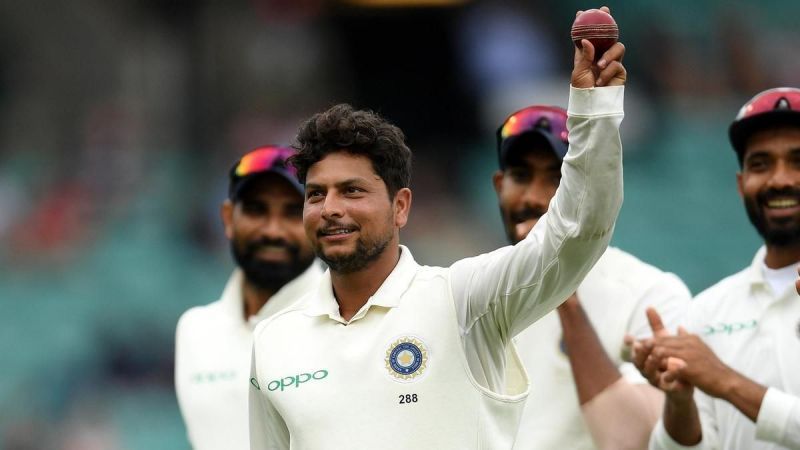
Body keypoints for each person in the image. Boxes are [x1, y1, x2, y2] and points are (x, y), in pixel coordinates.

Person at [248, 11, 627, 449]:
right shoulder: (274, 340)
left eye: (352, 191)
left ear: (401, 207)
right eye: (316, 194)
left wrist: (594, 113)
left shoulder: (464, 301)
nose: (330, 209)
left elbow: (578, 230)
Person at [492, 104, 691, 450]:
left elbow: (632, 442)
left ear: (589, 188)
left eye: (558, 179)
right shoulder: (469, 293)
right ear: (499, 186)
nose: (534, 198)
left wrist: (561, 283)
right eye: (520, 176)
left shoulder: (652, 295)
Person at [634, 88, 800, 450]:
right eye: (760, 164)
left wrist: (724, 380)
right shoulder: (708, 309)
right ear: (741, 186)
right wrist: (680, 402)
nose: (781, 180)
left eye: (797, 161)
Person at [175, 146, 322, 450]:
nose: (272, 230)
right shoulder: (195, 330)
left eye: (293, 211)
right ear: (228, 218)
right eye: (256, 210)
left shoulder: (345, 318)